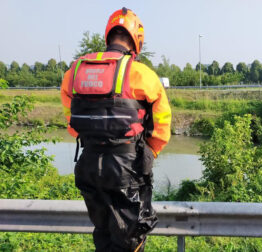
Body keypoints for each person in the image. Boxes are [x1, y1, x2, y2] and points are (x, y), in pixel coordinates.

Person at [60, 7, 171, 252]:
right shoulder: (142, 74)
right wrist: (149, 153)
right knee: (130, 238)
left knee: (103, 233)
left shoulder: (75, 71)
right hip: (126, 167)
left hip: (88, 165)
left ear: (108, 35)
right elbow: (162, 123)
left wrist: (91, 139)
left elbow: (71, 119)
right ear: (136, 40)